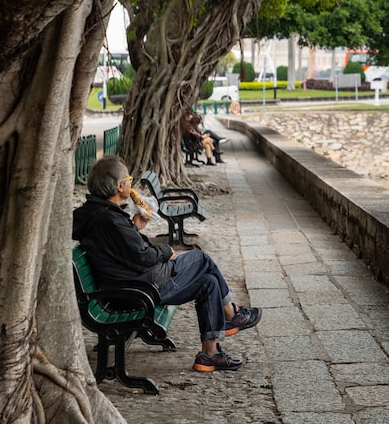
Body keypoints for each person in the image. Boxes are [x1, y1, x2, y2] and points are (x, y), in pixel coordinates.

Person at [72, 155, 260, 371]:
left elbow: (123, 251)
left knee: (208, 282)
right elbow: (144, 257)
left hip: (129, 284)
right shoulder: (109, 220)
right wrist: (165, 250)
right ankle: (232, 314)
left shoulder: (95, 214)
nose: (131, 183)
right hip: (140, 290)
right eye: (129, 179)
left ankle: (210, 354)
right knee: (201, 259)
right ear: (120, 186)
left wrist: (134, 228)